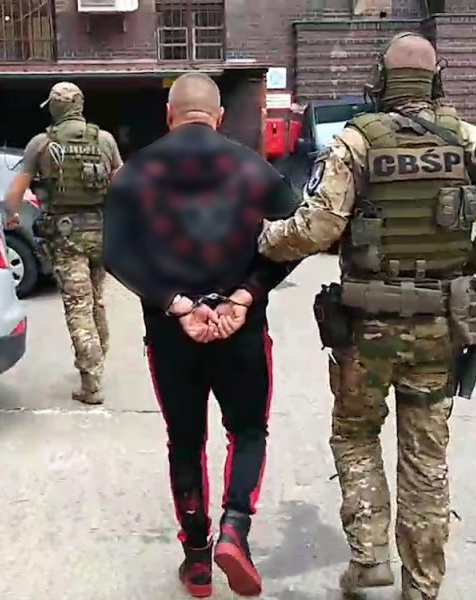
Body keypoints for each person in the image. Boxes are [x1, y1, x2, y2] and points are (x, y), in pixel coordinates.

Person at [258, 33, 476, 599]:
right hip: (439, 327)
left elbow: (317, 227)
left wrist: (266, 238)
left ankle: (368, 556)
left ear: (381, 81)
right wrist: (468, 264)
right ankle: (422, 586)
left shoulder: (356, 142)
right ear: (436, 80)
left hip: (366, 327)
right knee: (426, 459)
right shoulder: (469, 140)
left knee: (355, 433)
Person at [103, 72, 303, 598]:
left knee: (186, 441)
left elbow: (117, 255)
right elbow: (296, 235)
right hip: (241, 329)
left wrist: (176, 303)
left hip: (172, 332)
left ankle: (196, 560)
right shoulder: (251, 168)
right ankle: (235, 528)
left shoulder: (136, 173)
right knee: (248, 431)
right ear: (219, 117)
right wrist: (245, 295)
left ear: (170, 115)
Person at [5, 82, 123, 405]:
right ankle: (99, 354)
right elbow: (123, 183)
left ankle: (91, 383)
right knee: (96, 298)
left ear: (55, 108)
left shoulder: (41, 144)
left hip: (66, 236)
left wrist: (11, 216)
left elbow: (15, 192)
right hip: (101, 232)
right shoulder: (104, 140)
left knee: (78, 305)